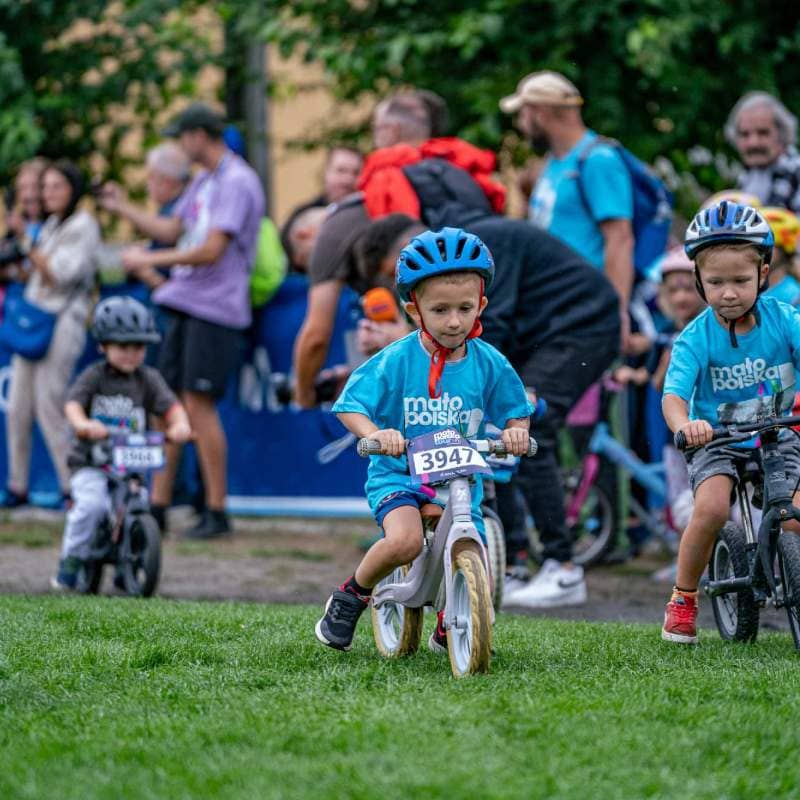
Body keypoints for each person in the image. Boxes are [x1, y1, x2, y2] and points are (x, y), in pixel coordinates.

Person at [356, 213, 621, 606]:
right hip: (544, 332)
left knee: (531, 431)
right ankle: (509, 564)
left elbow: (486, 329)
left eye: (390, 273)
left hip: (581, 328)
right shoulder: (463, 254)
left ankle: (562, 567)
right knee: (492, 437)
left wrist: (409, 340)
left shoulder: (476, 253)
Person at [314, 228, 532, 652]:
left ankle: (452, 617)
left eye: (465, 308)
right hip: (399, 475)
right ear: (414, 310)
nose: (454, 321)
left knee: (478, 548)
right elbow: (350, 405)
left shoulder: (489, 362)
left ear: (481, 305)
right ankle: (351, 596)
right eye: (440, 309)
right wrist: (377, 434)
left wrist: (515, 433)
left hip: (458, 477)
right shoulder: (398, 358)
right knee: (405, 541)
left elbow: (515, 409)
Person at [292, 90, 504, 407]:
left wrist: (303, 393)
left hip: (429, 367)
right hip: (491, 335)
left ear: (389, 132)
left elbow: (316, 335)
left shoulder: (352, 212)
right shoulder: (463, 179)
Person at [120, 102, 265, 538]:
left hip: (215, 309)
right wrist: (122, 209)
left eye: (182, 136)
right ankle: (158, 505)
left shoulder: (238, 181)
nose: (179, 146)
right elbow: (173, 230)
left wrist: (149, 258)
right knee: (168, 407)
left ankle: (217, 510)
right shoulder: (204, 180)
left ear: (199, 136)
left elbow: (210, 250)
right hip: (185, 302)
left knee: (199, 407)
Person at [661, 201, 800, 644]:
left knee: (794, 515)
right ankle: (683, 598)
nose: (728, 293)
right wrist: (685, 425)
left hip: (777, 432)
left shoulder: (785, 320)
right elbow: (674, 396)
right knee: (713, 509)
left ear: (763, 273)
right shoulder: (695, 337)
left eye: (740, 280)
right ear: (699, 280)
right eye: (716, 282)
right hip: (717, 440)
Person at [50, 296, 192, 590]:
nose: (131, 354)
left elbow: (171, 407)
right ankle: (71, 561)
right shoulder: (94, 376)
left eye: (138, 347)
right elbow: (73, 405)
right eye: (122, 346)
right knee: (91, 506)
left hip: (131, 465)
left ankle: (128, 564)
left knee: (138, 504)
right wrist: (83, 424)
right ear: (103, 345)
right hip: (93, 464)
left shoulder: (148, 379)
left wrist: (180, 425)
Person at [500, 70, 634, 351]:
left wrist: (616, 311)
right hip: (553, 307)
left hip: (584, 308)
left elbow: (620, 238)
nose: (520, 125)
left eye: (522, 114)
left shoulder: (598, 159)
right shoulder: (553, 162)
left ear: (541, 113)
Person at [4, 160, 100, 509]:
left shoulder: (83, 225)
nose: (48, 194)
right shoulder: (51, 225)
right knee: (17, 407)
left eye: (56, 186)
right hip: (34, 319)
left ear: (72, 189)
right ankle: (17, 485)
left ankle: (71, 488)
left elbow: (59, 274)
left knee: (51, 405)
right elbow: (31, 272)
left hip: (62, 320)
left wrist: (27, 243)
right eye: (45, 188)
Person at [280, 146, 363, 271]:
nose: (348, 179)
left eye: (356, 173)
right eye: (341, 171)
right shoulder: (303, 213)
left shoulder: (369, 215)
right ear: (326, 172)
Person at [99, 141, 192, 253]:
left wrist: (121, 205)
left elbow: (169, 232)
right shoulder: (173, 202)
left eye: (151, 177)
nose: (147, 183)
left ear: (167, 182)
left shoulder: (185, 202)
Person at [725, 92, 800, 212]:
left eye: (763, 133)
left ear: (783, 134)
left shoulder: (796, 172)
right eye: (745, 134)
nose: (753, 143)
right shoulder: (747, 176)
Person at [762, 206, 800, 305]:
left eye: (768, 246)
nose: (759, 251)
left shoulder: (794, 297)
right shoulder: (750, 290)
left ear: (784, 250)